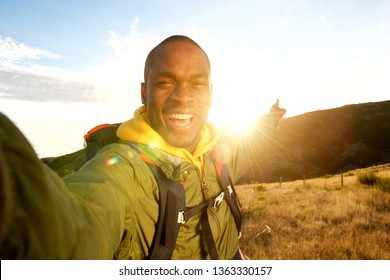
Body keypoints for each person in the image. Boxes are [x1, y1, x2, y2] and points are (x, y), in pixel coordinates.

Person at [0, 35, 286, 260]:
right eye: (166, 82)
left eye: (197, 83)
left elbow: (253, 141)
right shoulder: (124, 169)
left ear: (211, 92)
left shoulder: (220, 149)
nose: (183, 97)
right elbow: (73, 232)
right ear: (144, 92)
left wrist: (271, 119)